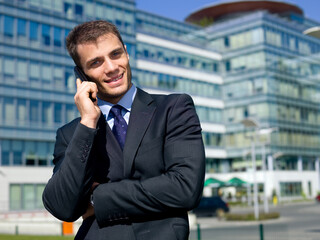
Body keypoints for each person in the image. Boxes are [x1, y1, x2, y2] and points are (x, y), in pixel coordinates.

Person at [42, 20, 205, 240]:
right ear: (81, 74)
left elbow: (185, 188)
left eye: (115, 54)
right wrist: (88, 121)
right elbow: (62, 207)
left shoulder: (173, 109)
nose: (110, 68)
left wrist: (96, 199)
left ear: (127, 53)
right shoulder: (73, 133)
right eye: (96, 62)